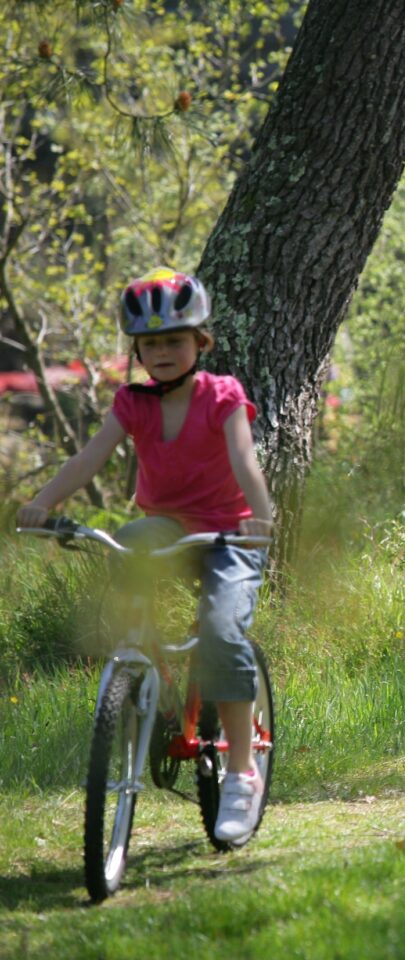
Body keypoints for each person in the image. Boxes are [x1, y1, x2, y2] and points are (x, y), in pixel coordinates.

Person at [17, 268, 275, 841]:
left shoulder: (222, 396)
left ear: (199, 344)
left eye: (174, 340)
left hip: (228, 534)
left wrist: (262, 517)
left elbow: (243, 461)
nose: (162, 352)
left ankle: (240, 772)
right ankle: (142, 662)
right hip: (166, 528)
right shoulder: (132, 404)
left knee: (221, 631)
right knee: (127, 542)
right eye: (151, 343)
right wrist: (39, 504)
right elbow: (87, 459)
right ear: (137, 350)